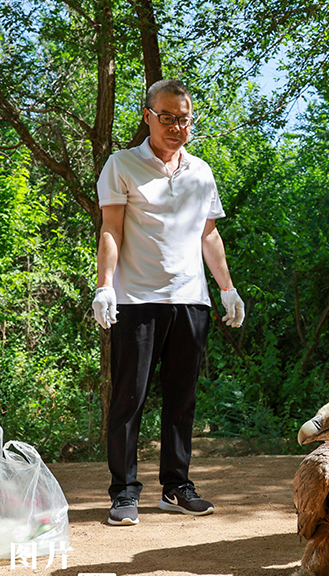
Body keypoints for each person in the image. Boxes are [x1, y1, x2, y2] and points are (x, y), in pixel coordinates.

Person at [92, 79, 245, 525]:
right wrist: (104, 285)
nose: (177, 126)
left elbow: (209, 235)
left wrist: (227, 288)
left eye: (184, 118)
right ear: (148, 117)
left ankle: (176, 487)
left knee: (182, 400)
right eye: (168, 117)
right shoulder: (122, 165)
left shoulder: (200, 171)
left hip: (190, 301)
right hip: (137, 299)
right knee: (129, 398)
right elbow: (111, 230)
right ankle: (124, 493)